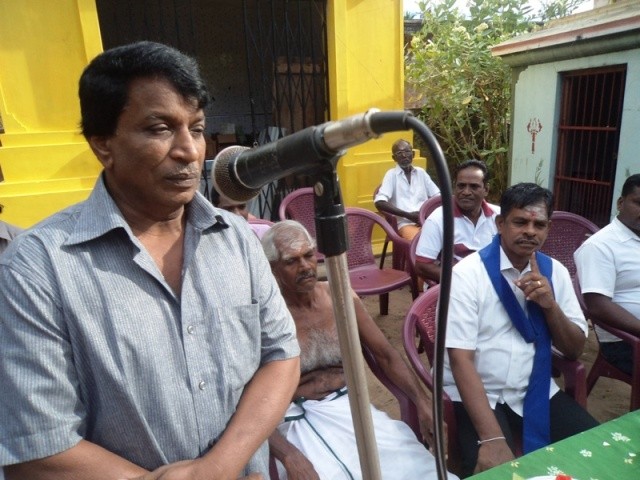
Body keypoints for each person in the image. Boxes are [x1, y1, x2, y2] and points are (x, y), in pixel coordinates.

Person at [0, 41, 300, 480]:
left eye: (197, 128)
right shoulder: (37, 268)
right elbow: (38, 445)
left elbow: (281, 357)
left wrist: (219, 467)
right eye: (160, 129)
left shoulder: (237, 240)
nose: (189, 151)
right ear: (103, 145)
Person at [262, 220, 459, 480]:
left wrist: (422, 402)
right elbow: (246, 399)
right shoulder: (266, 318)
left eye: (308, 255)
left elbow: (385, 355)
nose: (305, 267)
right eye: (291, 261)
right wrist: (289, 455)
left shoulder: (339, 297)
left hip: (350, 406)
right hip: (296, 418)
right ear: (272, 268)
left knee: (416, 469)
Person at [443, 183, 598, 478]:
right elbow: (460, 360)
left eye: (539, 224)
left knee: (595, 451)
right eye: (520, 222)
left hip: (534, 388)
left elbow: (574, 349)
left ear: (548, 228)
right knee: (494, 472)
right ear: (501, 224)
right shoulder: (467, 275)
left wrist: (550, 307)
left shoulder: (555, 273)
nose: (530, 231)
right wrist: (492, 439)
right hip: (480, 391)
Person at [575, 173, 640, 376]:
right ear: (621, 203)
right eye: (638, 203)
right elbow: (597, 305)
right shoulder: (600, 246)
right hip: (625, 342)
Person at [414, 159, 499, 285]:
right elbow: (422, 266)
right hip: (452, 286)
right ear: (455, 187)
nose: (466, 192)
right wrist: (464, 281)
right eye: (461, 186)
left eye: (474, 186)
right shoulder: (438, 219)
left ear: (486, 189)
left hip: (492, 283)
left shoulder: (499, 216)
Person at [374, 138, 440, 240]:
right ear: (394, 158)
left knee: (446, 236)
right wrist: (408, 215)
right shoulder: (391, 175)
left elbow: (438, 197)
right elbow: (379, 202)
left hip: (426, 220)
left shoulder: (421, 173)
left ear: (413, 154)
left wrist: (426, 214)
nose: (404, 155)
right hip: (405, 223)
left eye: (407, 152)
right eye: (399, 153)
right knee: (423, 241)